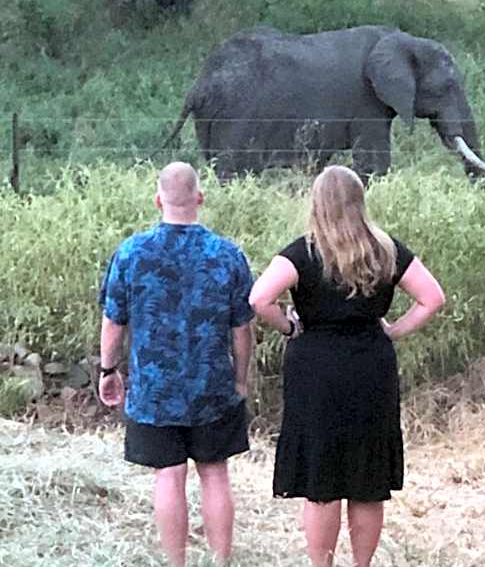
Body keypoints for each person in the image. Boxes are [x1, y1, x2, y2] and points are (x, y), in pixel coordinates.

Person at [249, 165, 445, 567]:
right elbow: (432, 298)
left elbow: (258, 299)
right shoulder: (386, 249)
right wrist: (391, 331)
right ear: (360, 201)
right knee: (367, 481)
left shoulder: (302, 252)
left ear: (317, 202)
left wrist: (289, 325)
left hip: (315, 369)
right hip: (370, 368)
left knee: (322, 480)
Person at [99, 162, 254, 567]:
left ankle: (176, 563)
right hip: (213, 387)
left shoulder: (132, 252)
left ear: (158, 199)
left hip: (154, 390)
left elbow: (114, 319)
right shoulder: (227, 255)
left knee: (168, 475)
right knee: (215, 473)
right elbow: (242, 328)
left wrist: (107, 369)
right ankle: (220, 562)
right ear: (199, 198)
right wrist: (241, 379)